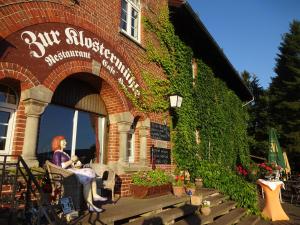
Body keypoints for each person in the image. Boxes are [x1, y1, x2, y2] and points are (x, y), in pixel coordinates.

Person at [51, 135, 107, 212]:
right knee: (89, 172)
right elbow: (59, 167)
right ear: (58, 142)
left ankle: (91, 204)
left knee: (88, 178)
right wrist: (72, 161)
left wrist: (76, 165)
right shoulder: (57, 153)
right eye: (63, 141)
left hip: (69, 173)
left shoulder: (63, 153)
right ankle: (94, 196)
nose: (66, 142)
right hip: (66, 175)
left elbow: (68, 165)